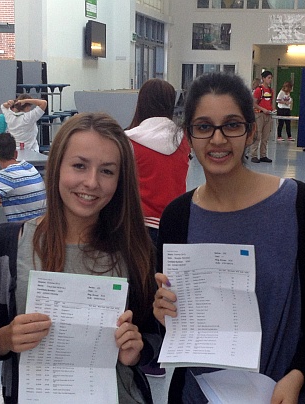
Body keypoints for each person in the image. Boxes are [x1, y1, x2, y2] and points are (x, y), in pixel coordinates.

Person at [153, 72, 305, 403]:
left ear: (251, 131)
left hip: (280, 394)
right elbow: (178, 323)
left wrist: (298, 375)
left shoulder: (300, 204)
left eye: (232, 125)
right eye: (204, 127)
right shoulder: (179, 217)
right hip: (198, 395)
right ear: (189, 136)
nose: (218, 139)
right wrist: (164, 312)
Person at [0, 113, 158, 404]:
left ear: (120, 180)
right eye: (79, 166)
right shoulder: (7, 244)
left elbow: (154, 336)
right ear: (57, 166)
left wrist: (138, 349)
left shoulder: (137, 248)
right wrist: (5, 338)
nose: (91, 182)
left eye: (107, 171)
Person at [125, 78, 190, 377]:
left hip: (139, 230)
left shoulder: (129, 140)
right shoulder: (184, 139)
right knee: (166, 295)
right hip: (176, 226)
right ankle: (165, 354)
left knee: (140, 293)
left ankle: (146, 354)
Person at [0, 132, 46, 222]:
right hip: (40, 227)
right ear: (16, 154)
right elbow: (19, 194)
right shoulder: (30, 168)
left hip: (23, 232)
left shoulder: (3, 177)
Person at [251, 70, 274, 163]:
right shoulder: (258, 90)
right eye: (268, 78)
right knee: (257, 135)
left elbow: (270, 102)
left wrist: (272, 110)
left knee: (265, 136)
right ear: (263, 79)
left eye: (271, 78)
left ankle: (263, 155)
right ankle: (253, 155)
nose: (270, 80)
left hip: (268, 115)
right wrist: (263, 109)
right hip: (259, 115)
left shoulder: (271, 91)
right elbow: (254, 103)